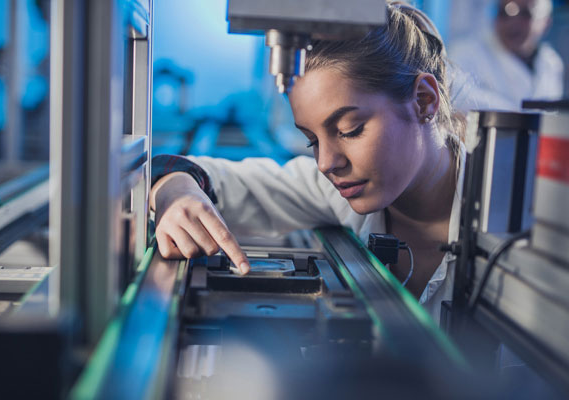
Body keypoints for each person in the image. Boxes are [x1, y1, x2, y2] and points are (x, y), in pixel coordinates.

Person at [150, 1, 465, 323]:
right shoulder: (332, 189)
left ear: (423, 100)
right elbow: (214, 178)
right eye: (312, 140)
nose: (326, 163)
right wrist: (174, 188)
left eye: (349, 130)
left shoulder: (512, 218)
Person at [449, 0, 564, 112]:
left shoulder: (551, 64)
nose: (513, 22)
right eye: (505, 12)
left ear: (546, 22)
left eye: (525, 13)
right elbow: (456, 96)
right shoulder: (466, 53)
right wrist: (516, 113)